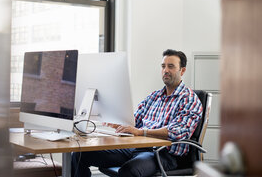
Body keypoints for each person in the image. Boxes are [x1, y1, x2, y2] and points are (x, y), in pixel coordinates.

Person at [71, 49, 203, 177]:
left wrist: (141, 132)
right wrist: (117, 121)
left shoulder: (188, 98)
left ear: (182, 70)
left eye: (171, 66)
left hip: (162, 154)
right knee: (80, 154)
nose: (166, 70)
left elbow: (177, 132)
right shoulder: (154, 96)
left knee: (129, 171)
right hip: (137, 147)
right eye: (163, 66)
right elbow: (134, 121)